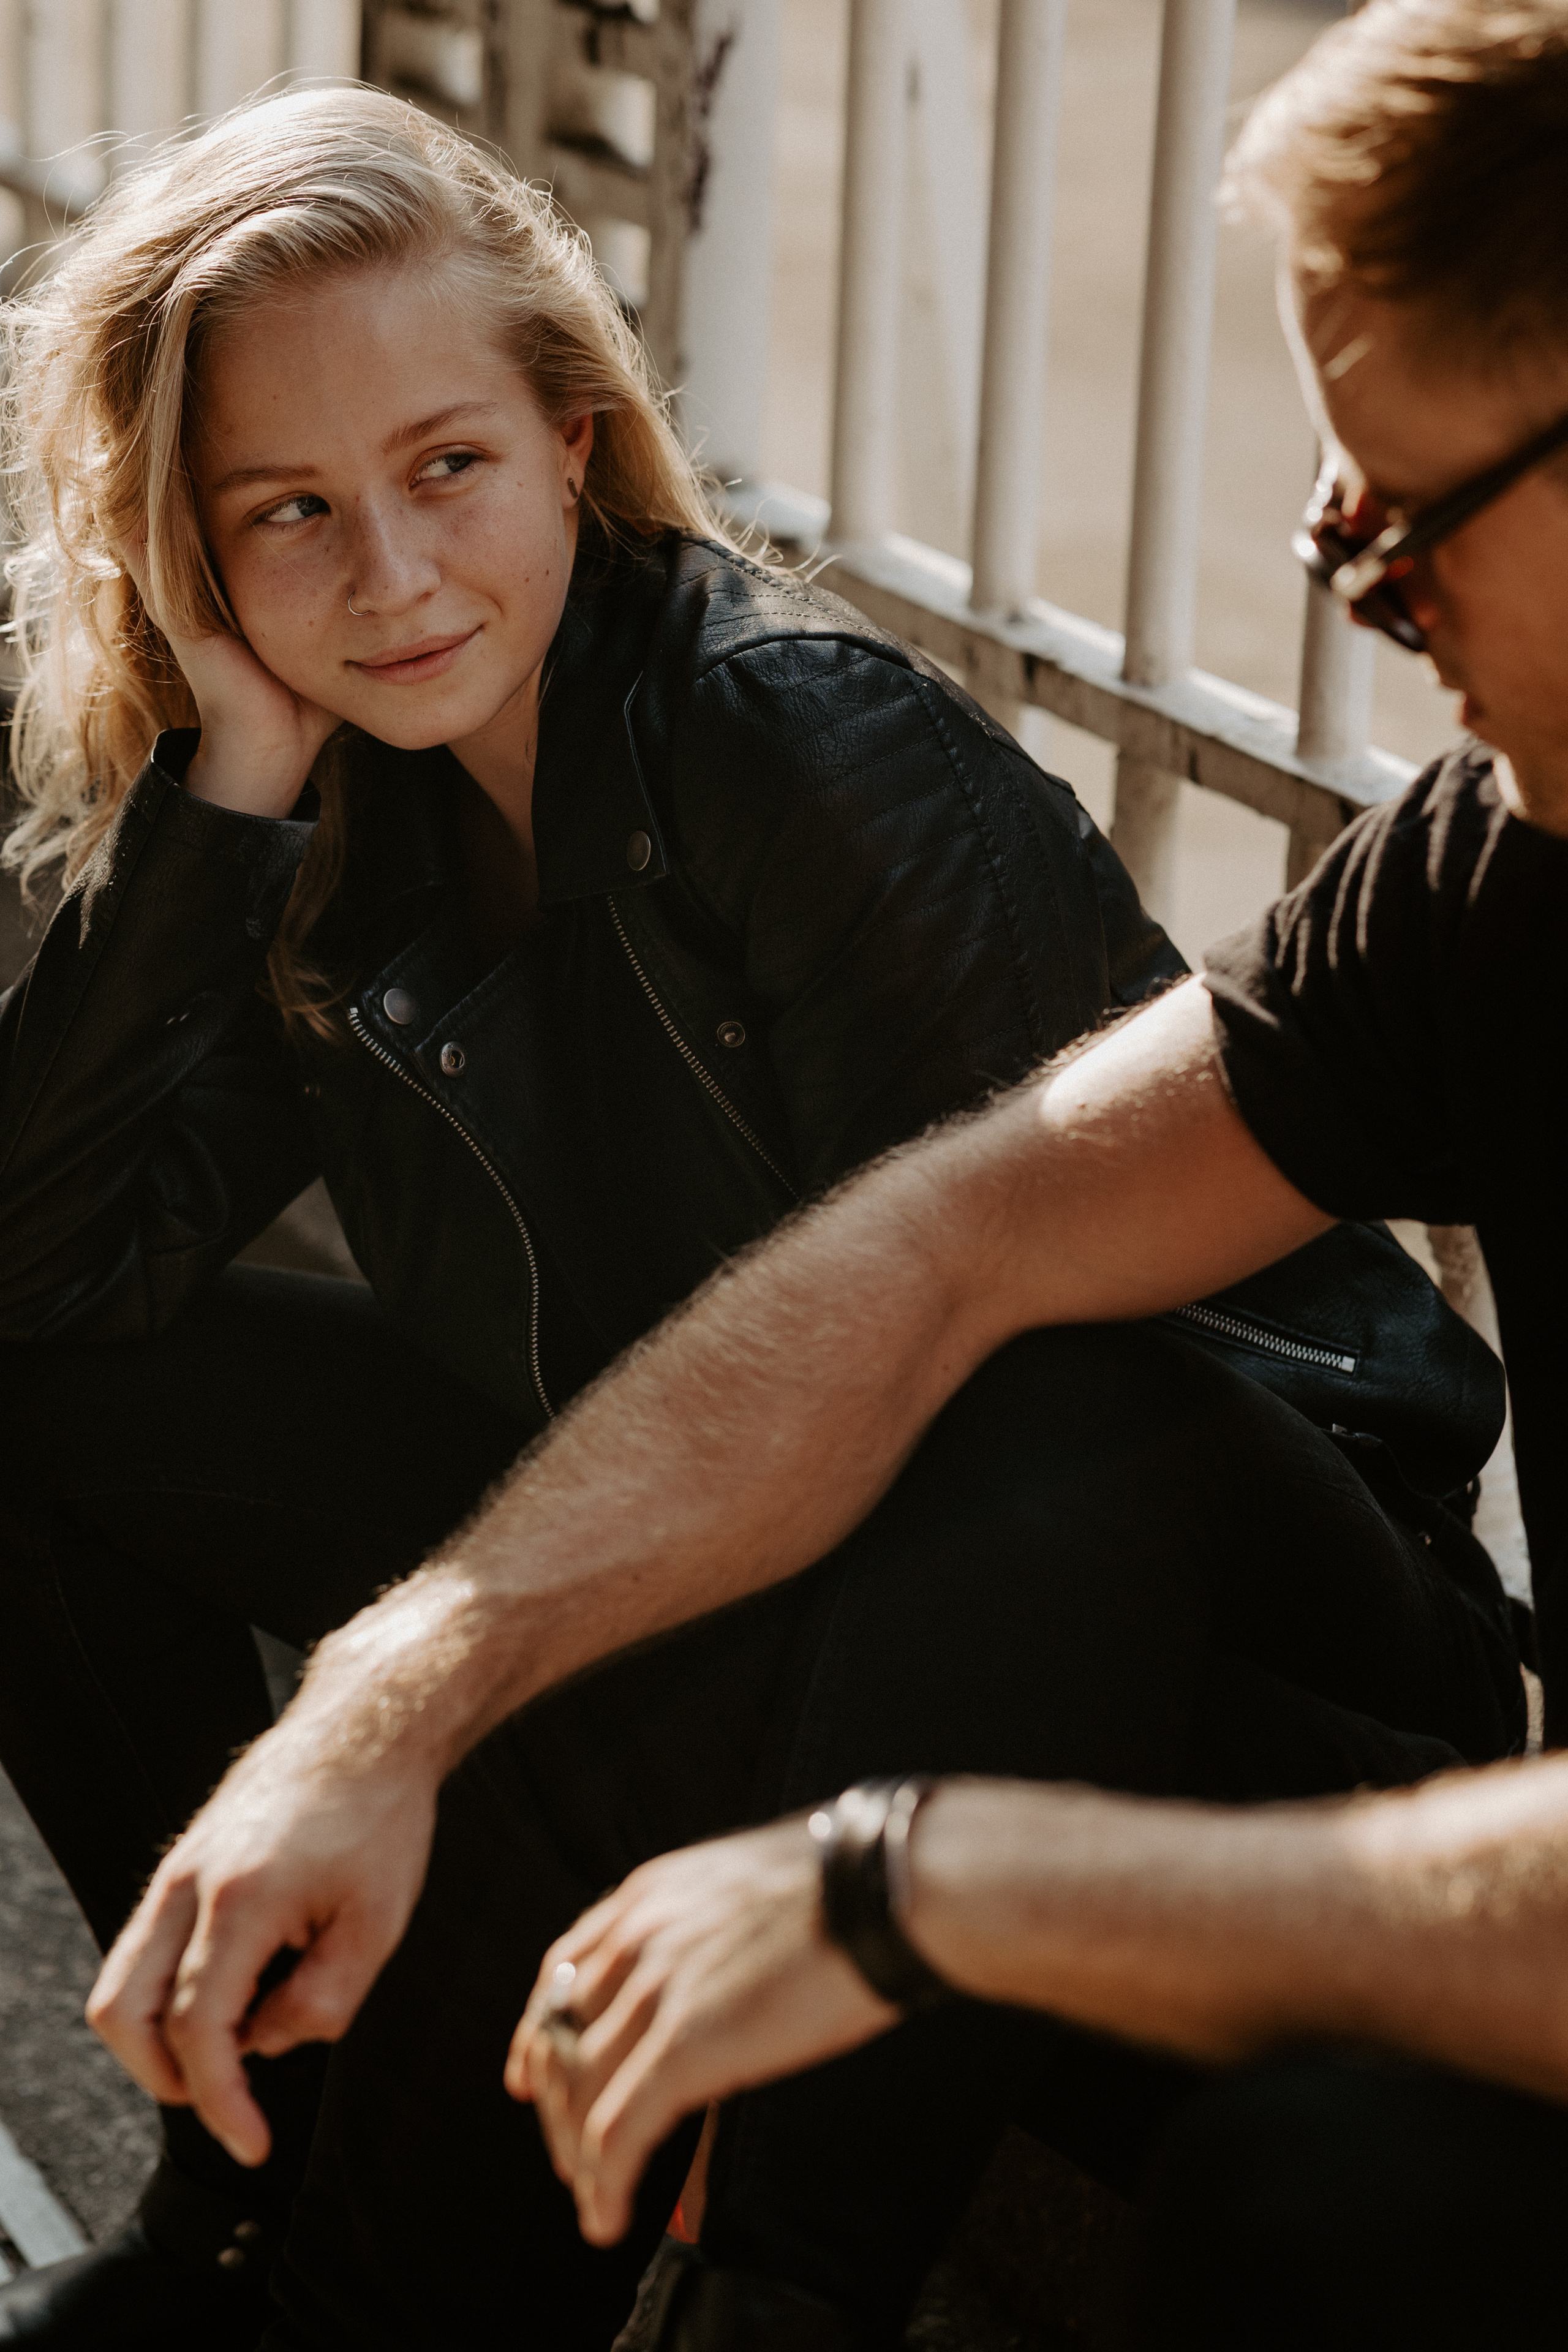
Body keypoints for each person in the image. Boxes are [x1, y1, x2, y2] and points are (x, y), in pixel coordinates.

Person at [77, 0, 1568, 2342]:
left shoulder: (789, 738)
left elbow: (1042, 1382)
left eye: (1403, 538)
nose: (386, 575)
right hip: (812, 1553)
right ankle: (237, 2151)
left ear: (573, 440)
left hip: (1211, 1627)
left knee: (1014, 1401)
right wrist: (377, 1705)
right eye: (287, 513)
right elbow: (954, 1239)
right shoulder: (1497, 872)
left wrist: (863, 1864)